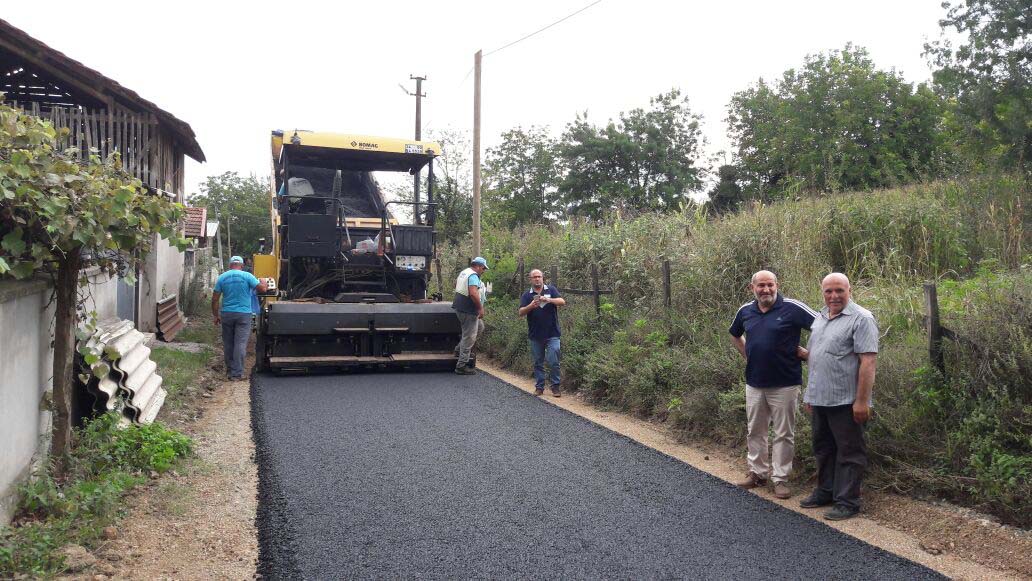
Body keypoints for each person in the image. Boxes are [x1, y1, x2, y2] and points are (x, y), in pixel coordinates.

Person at [729, 270, 818, 499]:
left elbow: (824, 327)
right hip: (755, 382)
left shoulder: (792, 308)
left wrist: (810, 354)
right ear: (752, 288)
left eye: (770, 285)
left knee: (783, 433)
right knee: (755, 430)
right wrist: (748, 354)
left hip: (785, 383)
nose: (766, 290)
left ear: (777, 285)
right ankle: (757, 473)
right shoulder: (745, 311)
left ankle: (780, 479)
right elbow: (735, 334)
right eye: (761, 286)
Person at [799, 272, 878, 521]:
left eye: (839, 291)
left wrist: (862, 401)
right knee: (823, 448)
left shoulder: (862, 319)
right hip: (820, 398)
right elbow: (817, 357)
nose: (834, 296)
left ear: (849, 290)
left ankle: (848, 501)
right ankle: (826, 491)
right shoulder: (820, 317)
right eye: (829, 291)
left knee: (850, 452)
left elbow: (868, 362)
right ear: (822, 292)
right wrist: (810, 395)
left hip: (846, 401)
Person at [212, 255, 268, 380]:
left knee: (228, 343)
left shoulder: (222, 277)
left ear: (230, 265)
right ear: (242, 266)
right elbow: (263, 289)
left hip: (227, 313)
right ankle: (237, 374)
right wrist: (263, 281)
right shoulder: (247, 276)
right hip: (243, 314)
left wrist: (216, 315)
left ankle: (229, 371)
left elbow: (215, 299)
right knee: (240, 344)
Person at [518, 269, 566, 397]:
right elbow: (521, 312)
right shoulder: (527, 295)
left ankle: (555, 386)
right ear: (530, 279)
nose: (537, 279)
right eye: (534, 277)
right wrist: (531, 305)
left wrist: (549, 300)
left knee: (553, 360)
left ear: (543, 278)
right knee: (538, 362)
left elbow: (562, 302)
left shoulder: (551, 290)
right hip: (536, 334)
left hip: (552, 333)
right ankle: (539, 387)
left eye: (539, 276)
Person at [452, 257, 489, 375]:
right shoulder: (473, 276)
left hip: (460, 307)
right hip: (469, 310)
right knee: (469, 337)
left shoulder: (464, 272)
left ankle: (458, 350)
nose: (483, 271)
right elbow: (473, 293)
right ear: (478, 266)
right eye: (483, 268)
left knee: (480, 327)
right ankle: (461, 365)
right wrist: (480, 308)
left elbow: (456, 285)